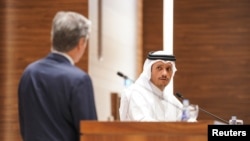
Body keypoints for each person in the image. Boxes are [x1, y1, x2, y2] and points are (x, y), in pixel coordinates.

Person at [18, 11, 97, 141]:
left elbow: (25, 126)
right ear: (81, 43)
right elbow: (90, 133)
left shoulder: (29, 73)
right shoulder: (80, 80)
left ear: (53, 37)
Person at [119, 50, 183, 121]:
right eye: (159, 68)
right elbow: (146, 124)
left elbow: (187, 118)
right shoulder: (137, 93)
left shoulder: (171, 99)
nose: (164, 73)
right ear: (149, 70)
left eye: (168, 69)